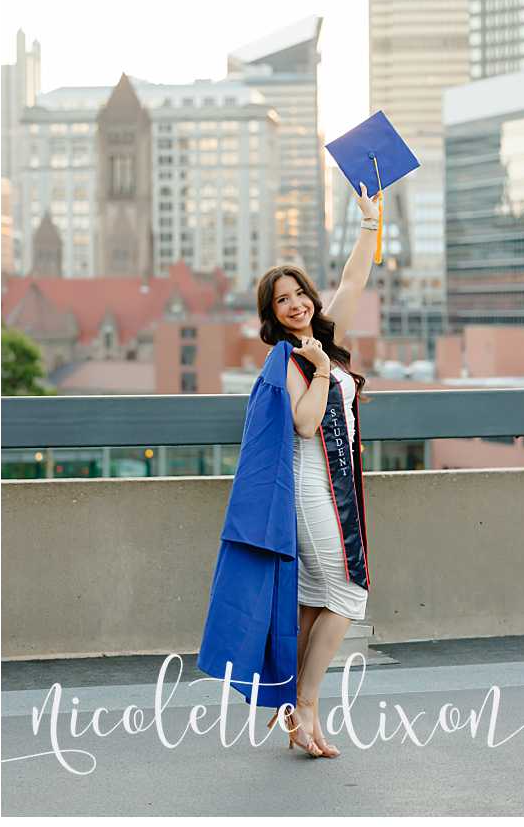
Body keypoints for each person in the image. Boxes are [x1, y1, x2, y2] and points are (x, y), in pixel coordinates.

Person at [198, 181, 380, 760]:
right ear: (271, 315)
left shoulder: (322, 339)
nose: (297, 304)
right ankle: (305, 703)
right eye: (283, 300)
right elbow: (304, 425)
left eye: (300, 293)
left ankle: (291, 709)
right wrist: (324, 372)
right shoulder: (291, 357)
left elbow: (353, 280)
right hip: (309, 488)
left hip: (337, 487)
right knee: (348, 594)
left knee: (313, 601)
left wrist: (369, 223)